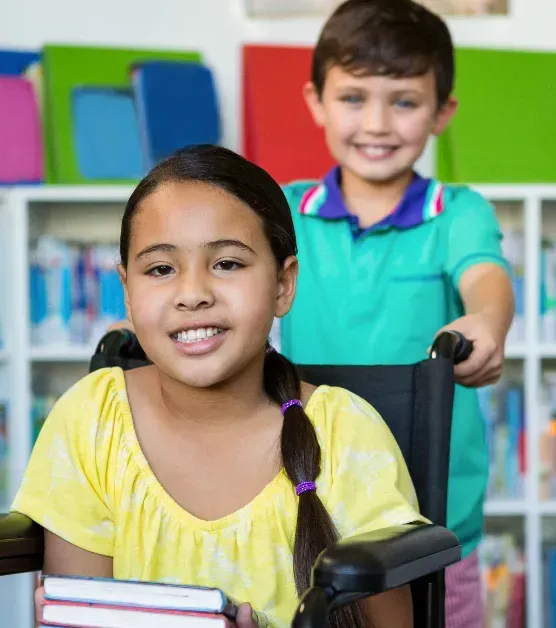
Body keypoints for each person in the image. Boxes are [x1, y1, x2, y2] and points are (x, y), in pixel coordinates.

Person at [12, 145, 428, 628]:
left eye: (228, 264)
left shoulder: (344, 430)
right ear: (126, 289)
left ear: (282, 284)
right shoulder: (92, 418)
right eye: (161, 269)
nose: (193, 295)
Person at [276, 1, 515, 626]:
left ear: (442, 113)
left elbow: (486, 276)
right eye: (354, 98)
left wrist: (487, 321)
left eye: (404, 102)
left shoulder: (456, 210)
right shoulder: (285, 208)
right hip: (310, 499)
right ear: (316, 100)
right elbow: (219, 271)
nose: (377, 123)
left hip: (435, 514)